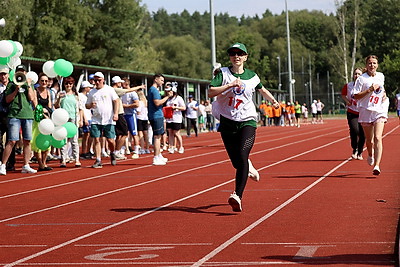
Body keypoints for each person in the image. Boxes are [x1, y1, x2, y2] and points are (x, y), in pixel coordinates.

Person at [209, 42, 279, 212]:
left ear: (245, 57)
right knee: (237, 162)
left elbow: (262, 90)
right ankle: (248, 165)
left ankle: (237, 195)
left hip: (247, 120)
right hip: (227, 122)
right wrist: (229, 85)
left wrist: (273, 101)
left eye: (240, 54)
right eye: (233, 54)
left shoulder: (253, 76)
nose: (236, 56)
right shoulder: (223, 74)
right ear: (230, 58)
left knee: (242, 154)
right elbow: (211, 92)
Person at [353, 55, 389, 176]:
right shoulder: (361, 79)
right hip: (366, 111)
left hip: (379, 110)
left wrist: (384, 94)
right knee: (370, 140)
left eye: (374, 63)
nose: (372, 65)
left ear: (377, 65)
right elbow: (355, 96)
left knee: (378, 137)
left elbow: (382, 89)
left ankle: (377, 165)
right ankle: (370, 153)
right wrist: (369, 90)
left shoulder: (381, 76)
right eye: (369, 63)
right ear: (366, 65)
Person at [0, 64, 37, 175]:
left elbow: (31, 98)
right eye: (19, 71)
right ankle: (3, 165)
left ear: (25, 73)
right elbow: (7, 100)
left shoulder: (29, 85)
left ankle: (26, 165)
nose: (21, 73)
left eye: (23, 71)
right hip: (14, 115)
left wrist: (29, 85)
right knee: (12, 140)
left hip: (27, 115)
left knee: (27, 141)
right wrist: (16, 89)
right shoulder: (11, 85)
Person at [85, 72, 119, 168]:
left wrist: (116, 113)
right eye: (95, 80)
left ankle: (112, 152)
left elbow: (116, 101)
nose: (97, 82)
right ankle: (98, 159)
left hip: (108, 119)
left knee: (110, 140)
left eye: (99, 80)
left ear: (103, 80)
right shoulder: (91, 92)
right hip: (96, 119)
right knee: (96, 139)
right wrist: (91, 105)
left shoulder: (109, 89)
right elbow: (87, 105)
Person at [54, 76, 83, 168]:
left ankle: (77, 159)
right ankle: (63, 159)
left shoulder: (76, 95)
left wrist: (81, 119)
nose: (68, 85)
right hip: (63, 118)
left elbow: (80, 108)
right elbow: (56, 106)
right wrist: (59, 98)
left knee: (74, 140)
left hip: (73, 118)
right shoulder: (61, 93)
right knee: (64, 139)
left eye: (70, 83)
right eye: (66, 83)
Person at [341, 68, 365, 160]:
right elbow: (343, 95)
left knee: (363, 134)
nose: (357, 76)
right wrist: (347, 101)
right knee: (355, 130)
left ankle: (360, 152)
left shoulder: (365, 85)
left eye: (359, 74)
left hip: (363, 112)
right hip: (352, 112)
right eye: (355, 74)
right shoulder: (348, 86)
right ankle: (354, 149)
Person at [147, 74, 171, 165]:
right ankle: (156, 157)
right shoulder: (154, 90)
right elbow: (157, 103)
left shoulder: (153, 90)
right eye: (161, 80)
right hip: (156, 115)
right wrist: (167, 97)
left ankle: (159, 155)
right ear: (156, 80)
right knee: (157, 137)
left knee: (159, 136)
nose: (162, 82)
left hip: (156, 115)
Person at [31, 73, 53, 171]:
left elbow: (50, 106)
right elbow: (36, 106)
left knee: (47, 141)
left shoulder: (48, 92)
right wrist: (43, 114)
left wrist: (48, 115)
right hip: (38, 119)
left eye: (46, 81)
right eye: (42, 81)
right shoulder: (35, 91)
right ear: (39, 82)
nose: (44, 82)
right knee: (37, 142)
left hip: (47, 120)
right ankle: (40, 164)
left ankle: (44, 163)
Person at [0, 65, 16, 172]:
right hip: (0, 116)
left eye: (4, 74)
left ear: (8, 75)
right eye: (1, 74)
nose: (3, 76)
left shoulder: (13, 86)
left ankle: (11, 163)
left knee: (11, 140)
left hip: (11, 116)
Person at [165, 82, 186, 154]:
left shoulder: (179, 98)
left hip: (176, 118)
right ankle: (171, 147)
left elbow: (184, 108)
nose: (168, 93)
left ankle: (181, 146)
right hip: (169, 118)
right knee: (170, 133)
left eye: (170, 91)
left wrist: (176, 107)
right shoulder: (168, 99)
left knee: (176, 133)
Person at [78, 81, 94, 159]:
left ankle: (88, 150)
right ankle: (84, 151)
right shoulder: (80, 96)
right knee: (86, 135)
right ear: (85, 88)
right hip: (86, 117)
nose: (90, 89)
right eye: (88, 87)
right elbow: (82, 108)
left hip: (89, 117)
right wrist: (84, 119)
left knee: (90, 134)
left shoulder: (87, 96)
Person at [136, 88, 151, 154]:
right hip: (145, 118)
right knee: (146, 133)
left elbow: (138, 112)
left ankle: (142, 148)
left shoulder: (140, 102)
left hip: (140, 118)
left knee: (140, 134)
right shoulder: (146, 102)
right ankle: (147, 148)